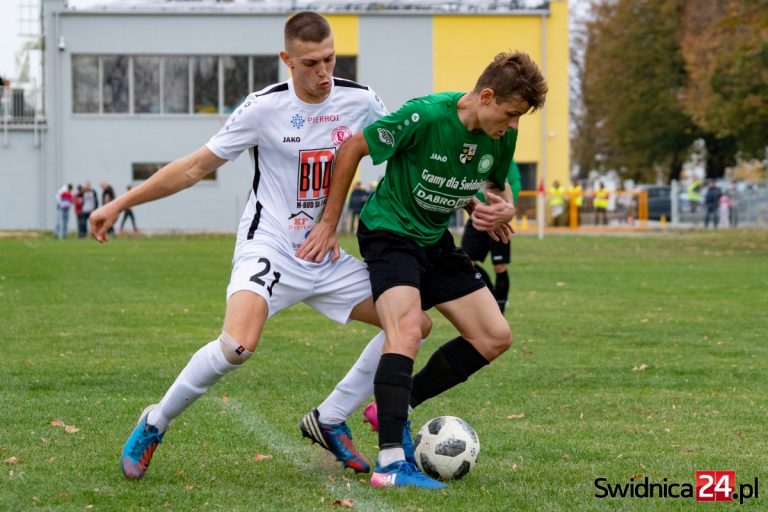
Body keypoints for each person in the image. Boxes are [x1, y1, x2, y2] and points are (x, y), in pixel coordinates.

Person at [89, 12, 431, 481]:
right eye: (311, 62)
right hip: (269, 244)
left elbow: (412, 153)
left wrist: (472, 198)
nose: (324, 72)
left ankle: (330, 417)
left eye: (331, 58)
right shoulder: (262, 109)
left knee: (411, 324)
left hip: (325, 254)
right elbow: (193, 168)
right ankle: (155, 421)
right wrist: (119, 203)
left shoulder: (361, 101)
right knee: (237, 346)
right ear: (287, 59)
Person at [297, 51, 547, 488]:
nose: (512, 126)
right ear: (486, 96)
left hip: (434, 239)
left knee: (494, 336)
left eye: (518, 118)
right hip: (390, 233)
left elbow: (492, 184)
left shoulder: (502, 134)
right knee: (407, 329)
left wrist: (500, 209)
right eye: (509, 114)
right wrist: (329, 222)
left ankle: (397, 403)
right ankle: (391, 465)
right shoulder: (424, 116)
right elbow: (354, 147)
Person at [461, 160, 521, 313]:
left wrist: (505, 209)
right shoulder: (473, 155)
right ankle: (490, 295)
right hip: (477, 215)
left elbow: (515, 183)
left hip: (497, 218)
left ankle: (500, 306)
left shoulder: (504, 157)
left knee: (499, 266)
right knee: (466, 262)